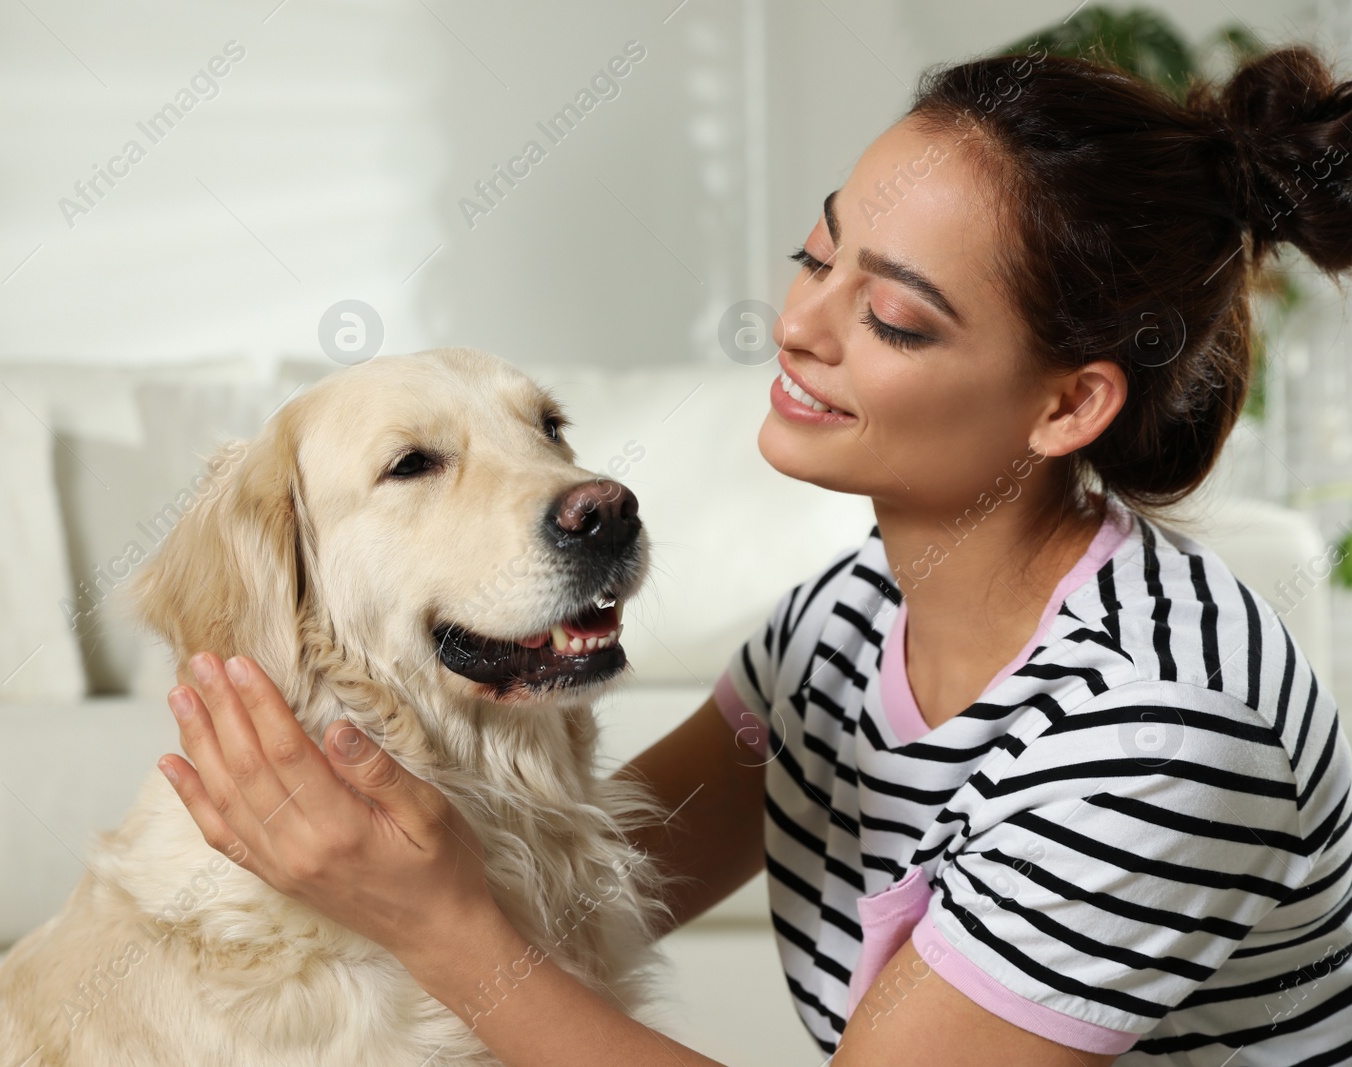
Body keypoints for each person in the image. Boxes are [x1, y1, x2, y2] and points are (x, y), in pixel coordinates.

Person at [155, 42, 1352, 1066]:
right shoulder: (850, 619)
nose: (797, 326)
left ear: (1065, 405)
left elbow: (500, 946)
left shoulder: (1160, 731)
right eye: (815, 257)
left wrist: (434, 923)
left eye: (891, 316)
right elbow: (608, 889)